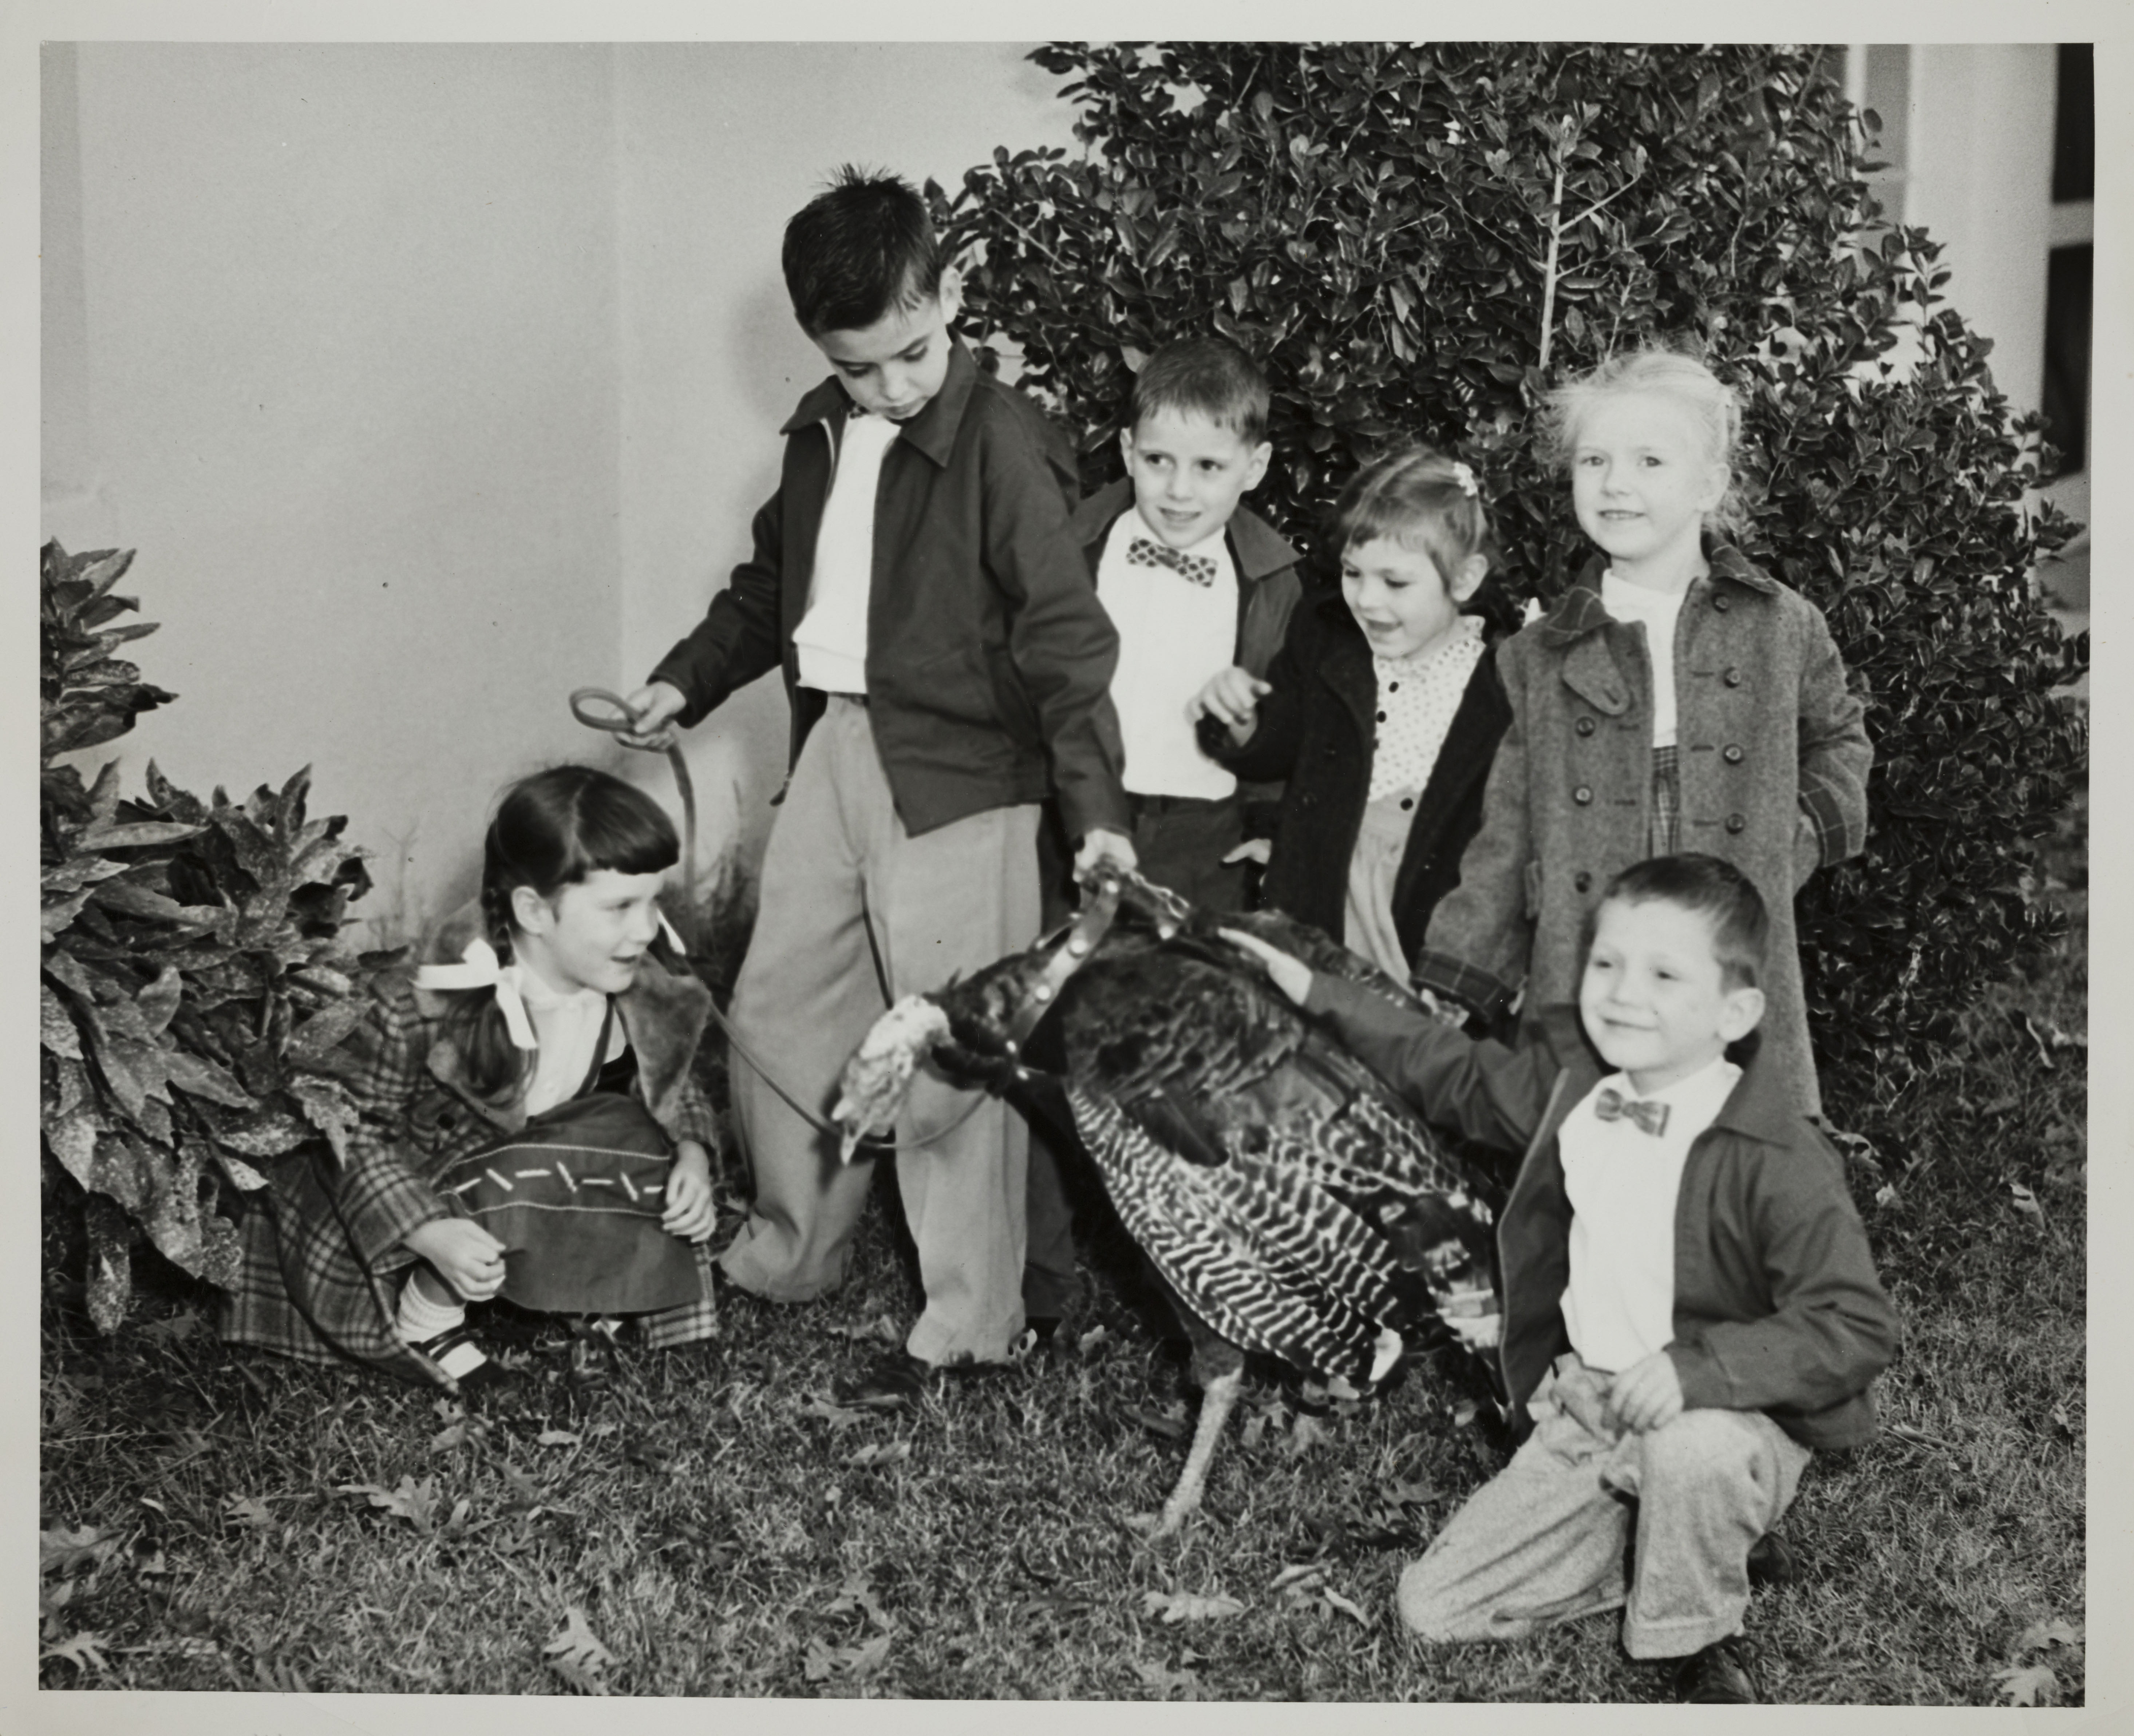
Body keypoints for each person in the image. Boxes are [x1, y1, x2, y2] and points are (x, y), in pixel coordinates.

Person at [616, 168, 1134, 1385]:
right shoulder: (817, 436)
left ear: (949, 295)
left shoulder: (1007, 447)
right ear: (818, 349)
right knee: (784, 1015)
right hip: (838, 749)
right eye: (862, 368)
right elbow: (766, 592)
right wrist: (683, 683)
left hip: (960, 780)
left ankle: (968, 1326)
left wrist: (1097, 815)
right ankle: (790, 1254)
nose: (894, 386)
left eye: (913, 353)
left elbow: (1068, 643)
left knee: (947, 1053)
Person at [1225, 855, 1899, 1704]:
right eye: (1607, 963)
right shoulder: (1579, 1091)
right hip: (1594, 1406)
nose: (1622, 993)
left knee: (1694, 1451)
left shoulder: (1778, 1156)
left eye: (1663, 974)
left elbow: (1857, 1326)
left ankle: (1694, 1637)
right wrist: (1312, 989)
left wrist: (1702, 1371)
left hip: (1731, 1416)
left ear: (1738, 1012)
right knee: (1433, 1610)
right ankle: (1658, 1538)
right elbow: (1448, 1068)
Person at [1414, 346, 1872, 1116]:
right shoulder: (1541, 654)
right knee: (1600, 1151)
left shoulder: (1780, 625)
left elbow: (1840, 739)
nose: (1616, 483)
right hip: (1593, 954)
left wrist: (1798, 834)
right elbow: (1509, 829)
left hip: (1725, 934)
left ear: (1710, 485)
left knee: (1736, 1155)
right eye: (1595, 460)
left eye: (1649, 460)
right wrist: (1458, 978)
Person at [223, 766, 720, 1388]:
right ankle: (427, 1316)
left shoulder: (631, 981)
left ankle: (581, 1282)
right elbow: (346, 1137)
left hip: (510, 1167)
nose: (647, 929)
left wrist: (693, 1155)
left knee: (637, 1135)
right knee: (521, 1168)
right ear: (534, 910)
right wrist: (426, 1230)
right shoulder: (417, 1001)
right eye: (620, 907)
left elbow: (673, 1087)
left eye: (653, 902)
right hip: (407, 1186)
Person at [1190, 444, 1513, 986]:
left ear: (1463, 579)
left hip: (1421, 918)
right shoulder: (1326, 639)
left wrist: (1470, 974)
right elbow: (1279, 746)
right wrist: (1243, 718)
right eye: (1351, 572)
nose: (1365, 600)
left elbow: (1502, 843)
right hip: (1317, 902)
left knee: (1398, 1054)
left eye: (1395, 582)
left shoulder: (1501, 682)